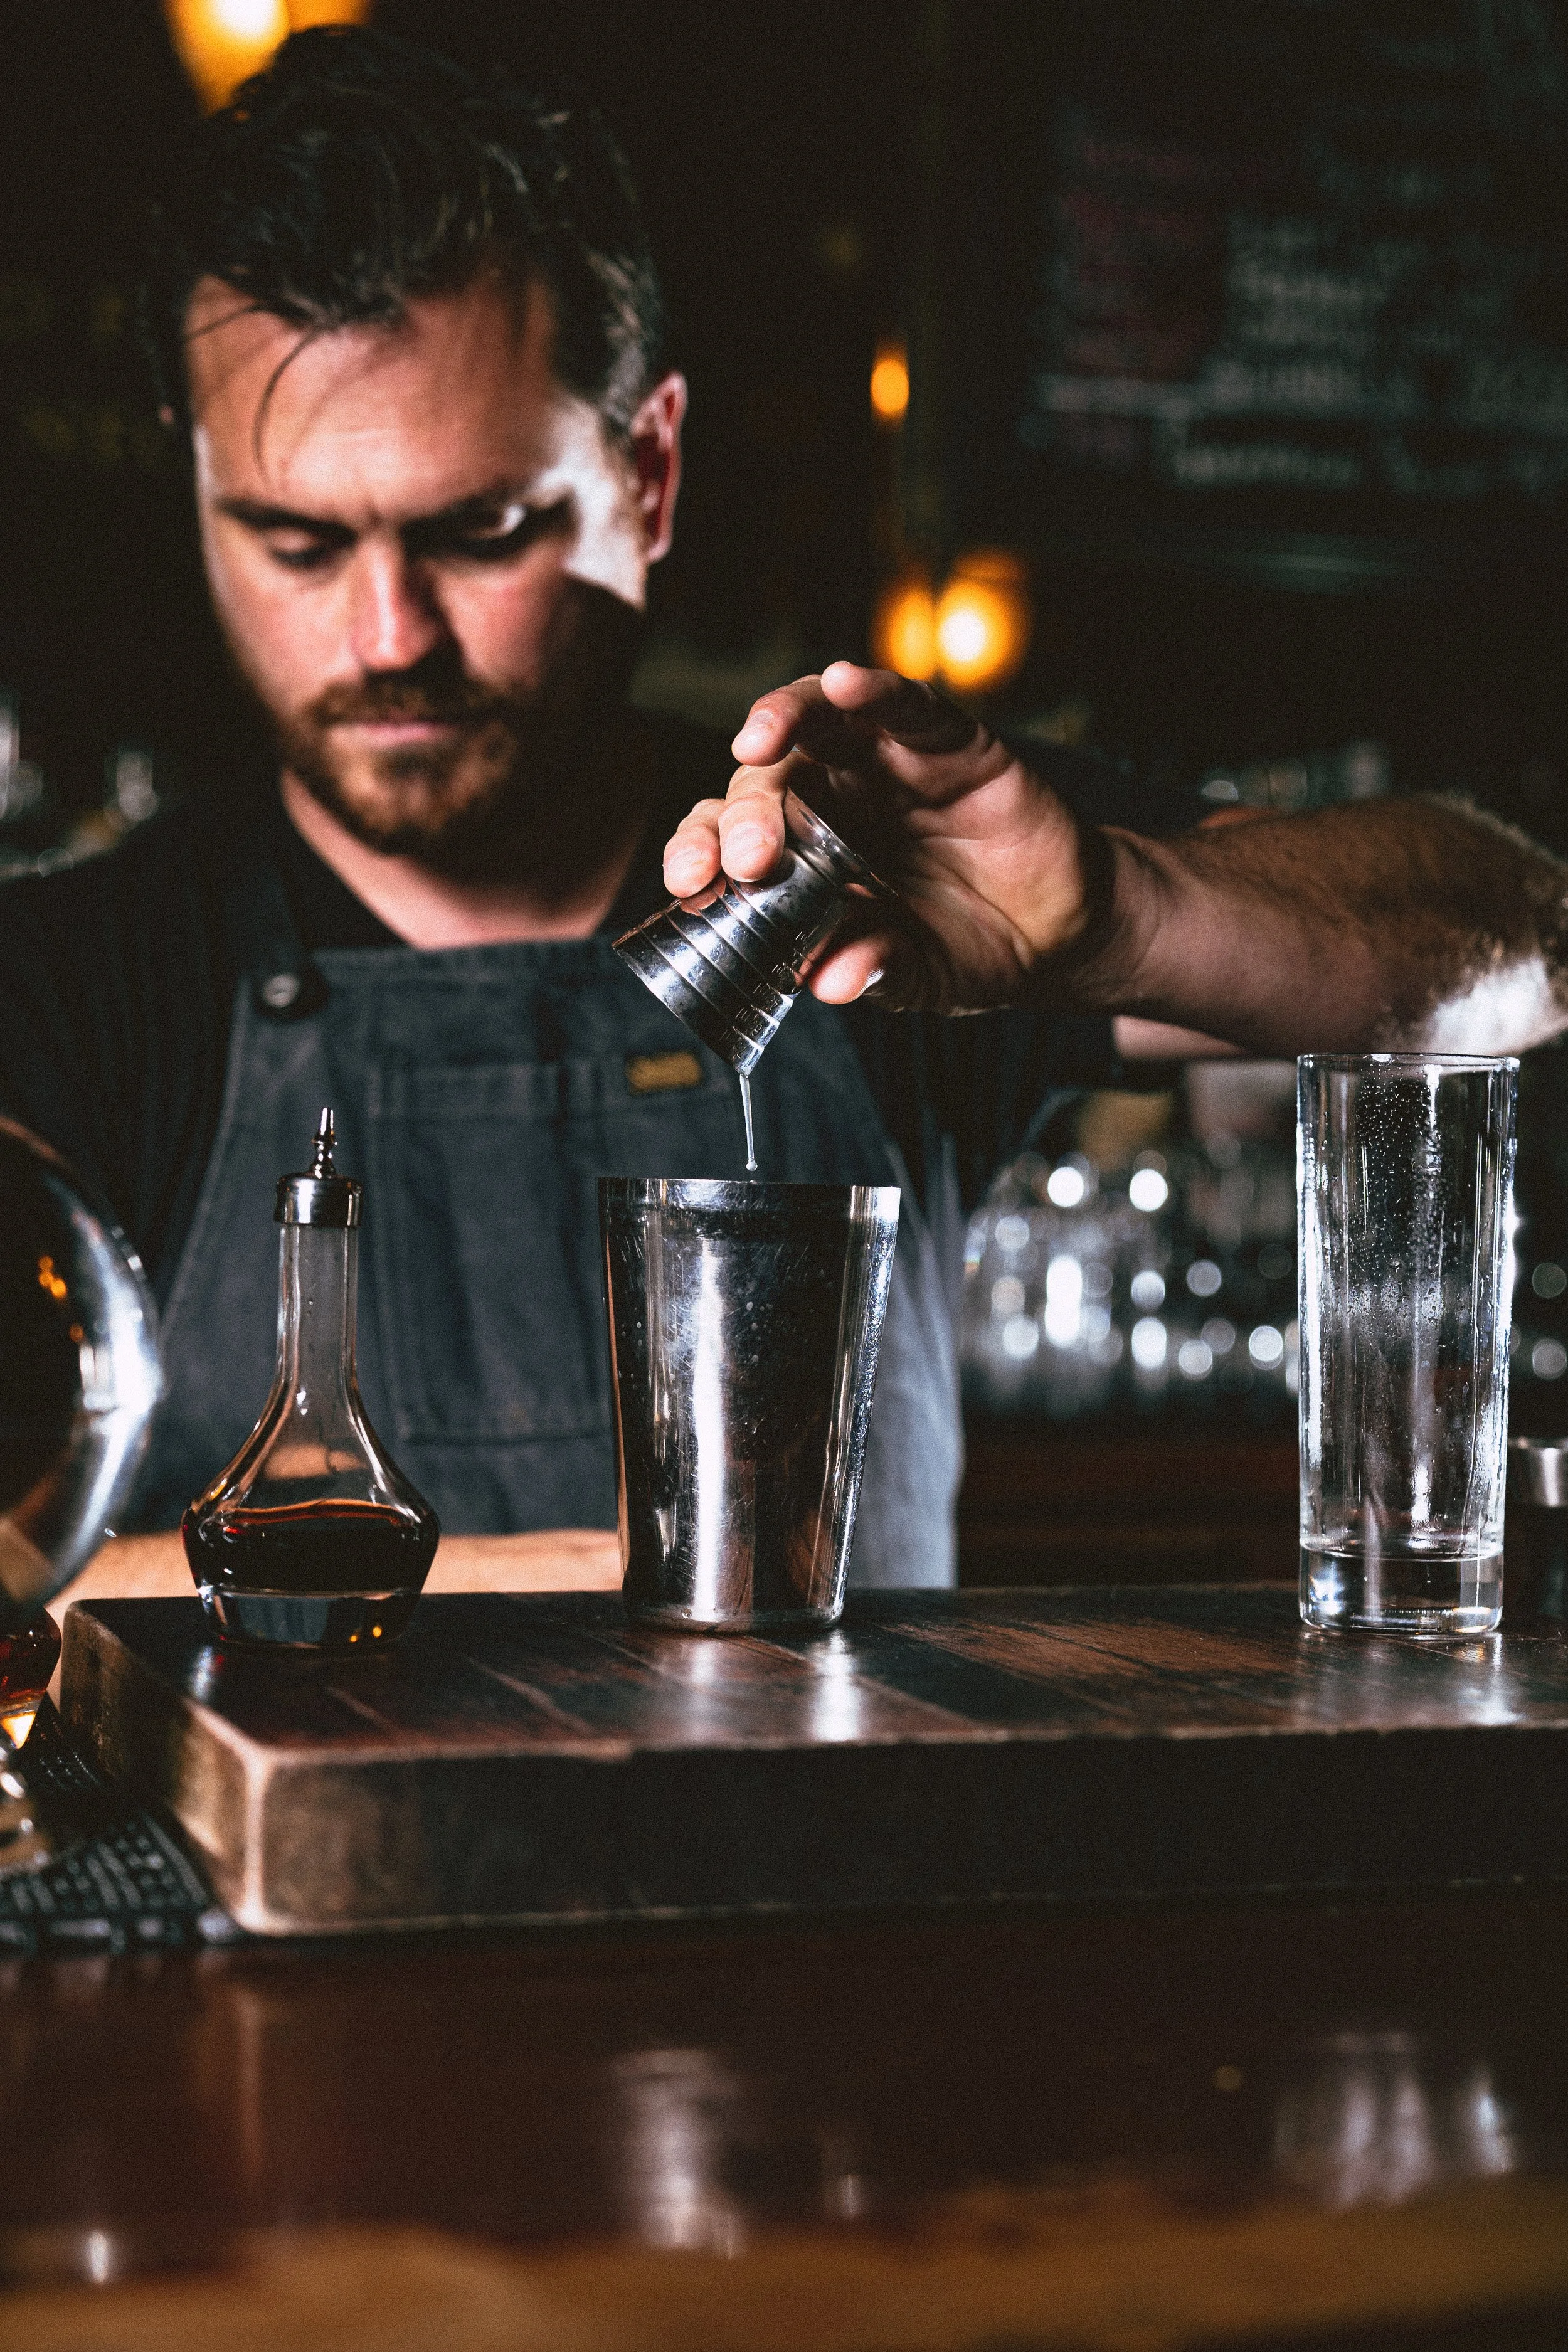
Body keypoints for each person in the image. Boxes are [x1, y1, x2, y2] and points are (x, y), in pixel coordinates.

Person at [3, 27, 1565, 1589]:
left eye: (480, 531)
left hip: (854, 1842)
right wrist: (598, 1584)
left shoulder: (865, 865)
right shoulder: (80, 989)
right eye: (293, 543)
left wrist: (1118, 912)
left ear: (651, 473)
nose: (390, 632)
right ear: (196, 491)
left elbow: (1516, 947)